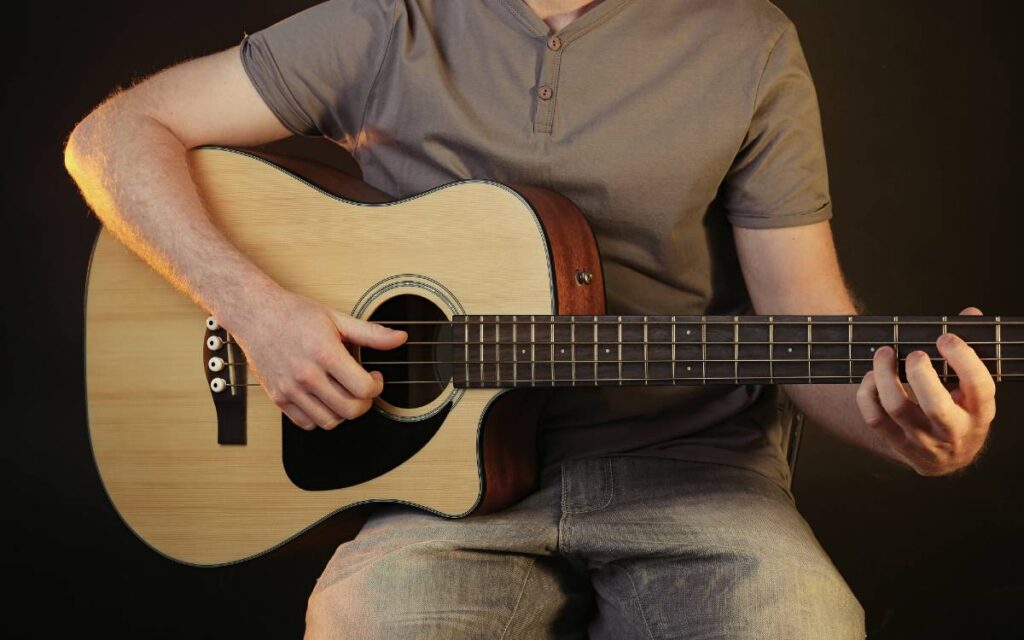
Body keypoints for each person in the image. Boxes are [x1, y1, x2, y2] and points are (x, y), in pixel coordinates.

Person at [63, 0, 997, 637]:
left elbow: (806, 330)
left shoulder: (747, 40)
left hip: (698, 479)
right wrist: (254, 308)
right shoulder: (388, 21)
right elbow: (108, 138)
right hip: (435, 498)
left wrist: (916, 434)